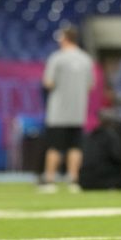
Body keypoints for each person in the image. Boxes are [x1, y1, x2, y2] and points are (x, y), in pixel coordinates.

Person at [40, 25, 94, 192]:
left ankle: (49, 180)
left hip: (58, 112)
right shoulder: (86, 59)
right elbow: (90, 85)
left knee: (54, 147)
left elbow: (48, 82)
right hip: (77, 111)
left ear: (65, 38)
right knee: (75, 147)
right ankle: (73, 180)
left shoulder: (57, 58)